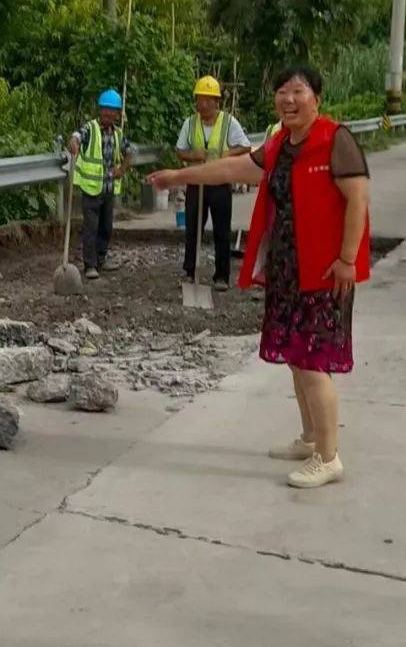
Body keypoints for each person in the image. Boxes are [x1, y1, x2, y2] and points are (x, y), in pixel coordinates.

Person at [147, 65, 370, 489]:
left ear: (317, 99)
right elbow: (231, 170)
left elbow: (358, 199)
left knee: (312, 362)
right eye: (282, 91)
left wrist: (347, 259)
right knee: (296, 359)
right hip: (287, 271)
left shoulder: (335, 140)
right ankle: (310, 438)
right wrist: (178, 177)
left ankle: (328, 458)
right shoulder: (280, 145)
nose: (289, 99)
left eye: (298, 91)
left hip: (322, 272)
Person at [175, 75, 252, 291]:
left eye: (209, 100)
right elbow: (179, 150)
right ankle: (190, 271)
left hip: (220, 182)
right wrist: (193, 155)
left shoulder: (228, 122)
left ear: (217, 101)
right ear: (196, 101)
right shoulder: (190, 123)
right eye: (201, 99)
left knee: (221, 230)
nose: (205, 104)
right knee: (193, 229)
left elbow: (245, 146)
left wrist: (229, 153)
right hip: (196, 182)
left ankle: (222, 276)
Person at [67, 89, 134, 280]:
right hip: (91, 189)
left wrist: (122, 169)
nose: (107, 114)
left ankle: (101, 258)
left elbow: (130, 152)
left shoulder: (118, 133)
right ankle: (90, 264)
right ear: (100, 110)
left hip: (108, 188)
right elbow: (78, 135)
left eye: (111, 111)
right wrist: (74, 141)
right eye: (104, 109)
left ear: (117, 114)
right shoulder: (91, 128)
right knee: (91, 227)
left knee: (106, 226)